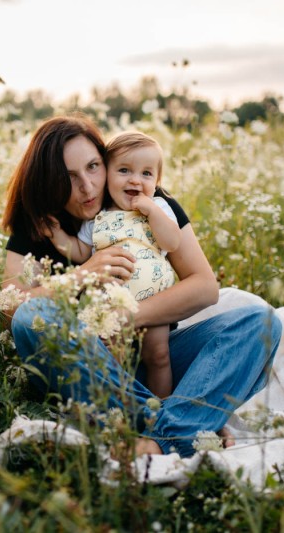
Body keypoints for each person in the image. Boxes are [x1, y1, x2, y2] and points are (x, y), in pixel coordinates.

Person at [1, 113, 281, 458]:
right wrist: (82, 273)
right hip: (85, 366)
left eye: (93, 167)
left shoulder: (146, 203)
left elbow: (205, 287)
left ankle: (160, 433)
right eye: (68, 177)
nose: (87, 187)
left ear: (106, 162)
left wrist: (123, 317)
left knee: (261, 323)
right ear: (47, 182)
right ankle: (183, 424)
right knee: (33, 315)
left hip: (153, 353)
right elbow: (11, 306)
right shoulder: (40, 224)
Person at [47, 131, 181, 398]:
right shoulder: (98, 219)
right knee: (113, 357)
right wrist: (57, 235)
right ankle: (120, 408)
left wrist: (152, 211)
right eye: (124, 170)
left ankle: (160, 409)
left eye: (146, 174)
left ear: (156, 182)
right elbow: (80, 252)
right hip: (112, 301)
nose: (135, 179)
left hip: (154, 301)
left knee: (159, 355)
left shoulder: (159, 207)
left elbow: (173, 242)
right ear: (107, 176)